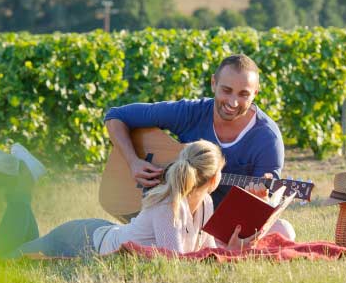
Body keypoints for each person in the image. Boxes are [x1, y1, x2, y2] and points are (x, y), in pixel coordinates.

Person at [104, 53, 295, 240]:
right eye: (226, 90)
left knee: (284, 230)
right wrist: (133, 162)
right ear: (213, 83)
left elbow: (260, 212)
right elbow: (116, 116)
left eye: (243, 94)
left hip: (224, 222)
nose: (233, 102)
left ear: (255, 93)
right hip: (171, 213)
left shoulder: (267, 138)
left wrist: (259, 198)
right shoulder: (190, 112)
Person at [0, 140, 256, 259]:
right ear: (215, 179)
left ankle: (23, 178)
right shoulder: (167, 204)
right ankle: (21, 184)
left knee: (21, 250)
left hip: (98, 232)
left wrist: (226, 248)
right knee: (1, 262)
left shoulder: (204, 204)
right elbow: (175, 260)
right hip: (81, 239)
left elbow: (201, 247)